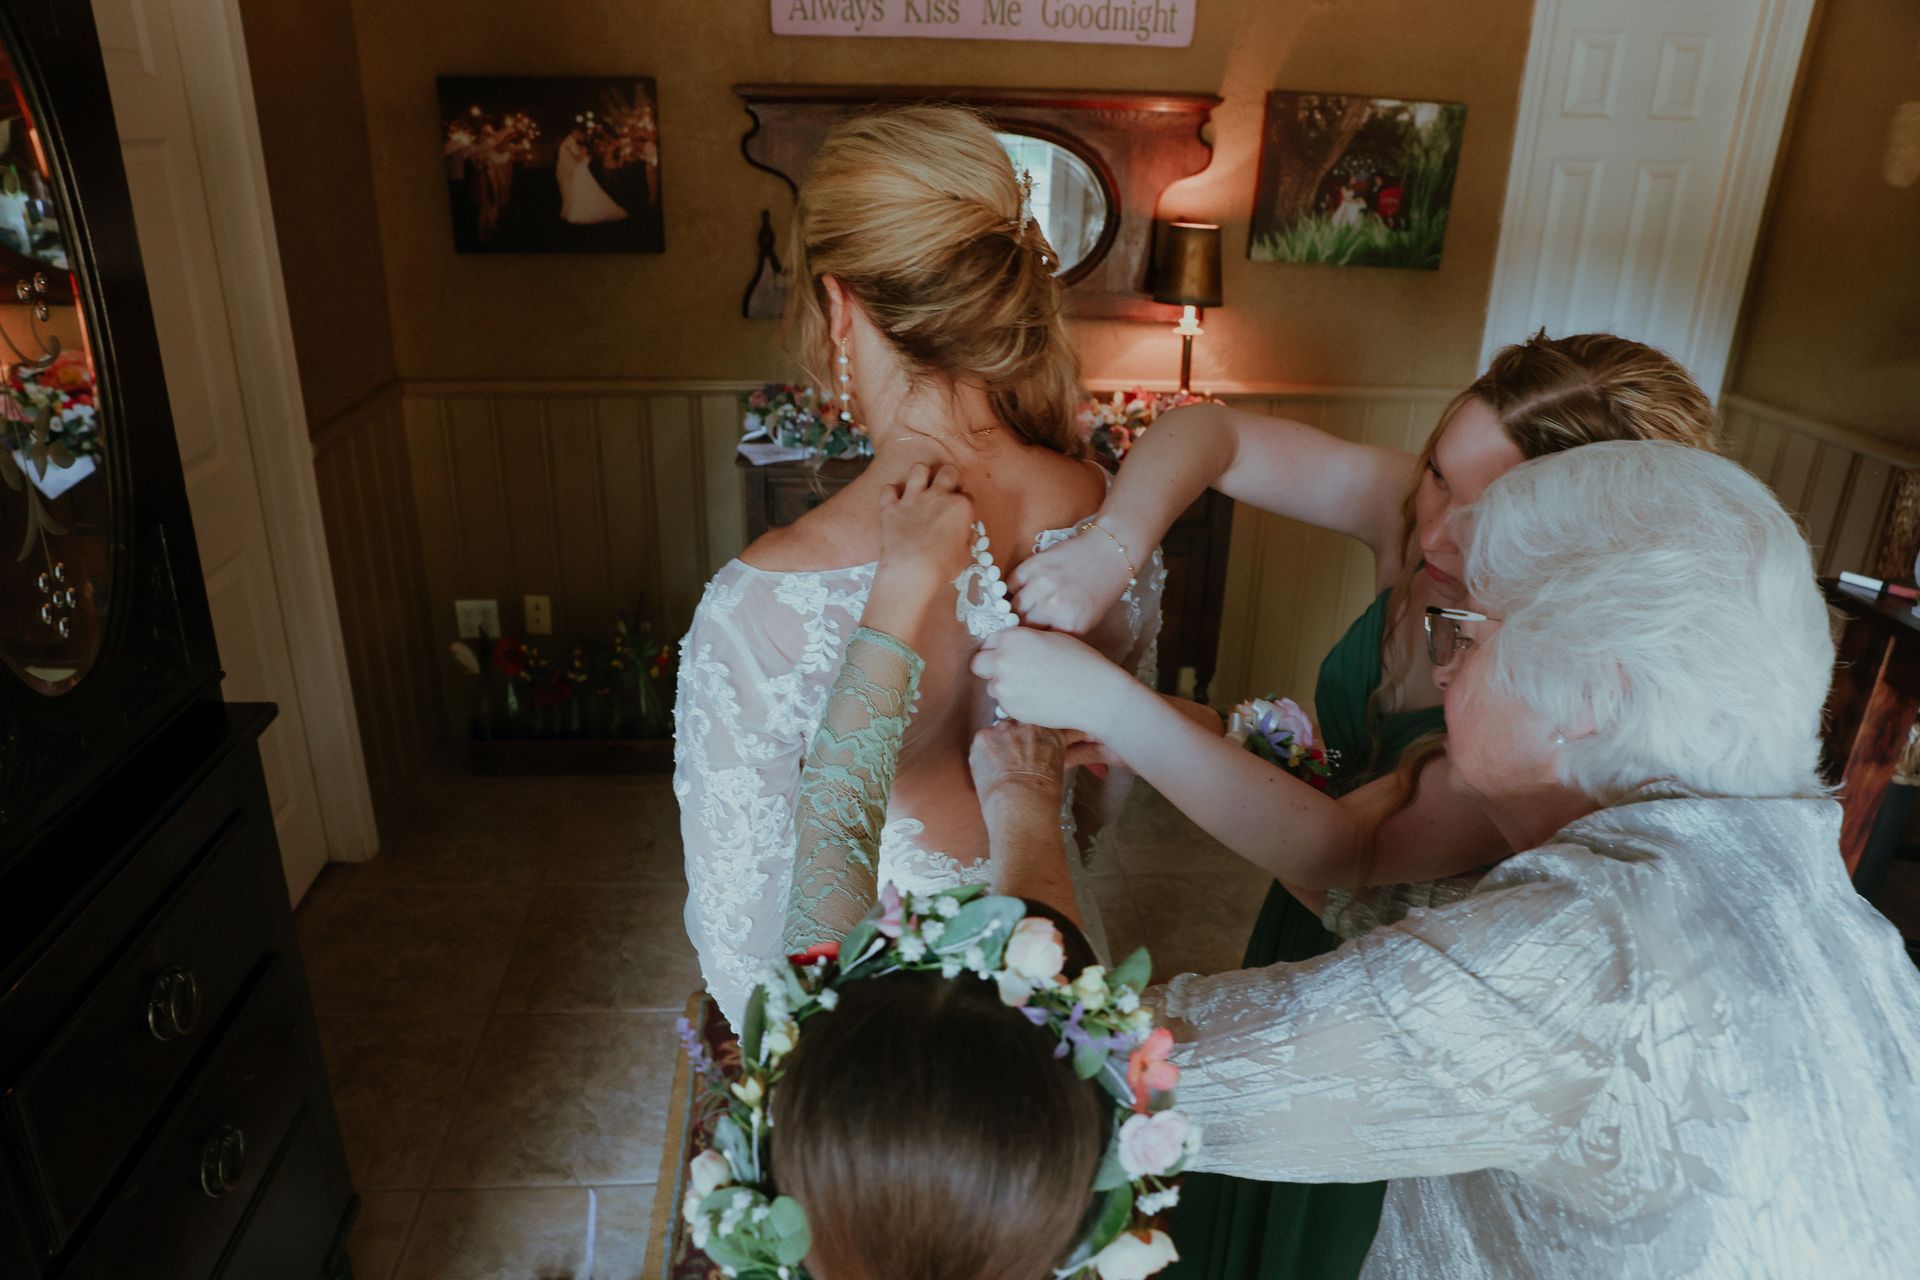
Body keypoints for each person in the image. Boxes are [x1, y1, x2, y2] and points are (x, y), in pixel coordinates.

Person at [986, 441, 1920, 1276]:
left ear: (1591, 692)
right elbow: (1416, 926)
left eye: (1467, 631)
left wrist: (1024, 810)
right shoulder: (1799, 880)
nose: (1441, 665)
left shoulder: (1578, 953)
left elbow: (1107, 1068)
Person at [673, 105, 1165, 1029]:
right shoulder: (1103, 517)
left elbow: (749, 962)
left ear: (839, 304)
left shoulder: (764, 603)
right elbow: (1103, 792)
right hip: (1058, 989)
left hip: (874, 1068)